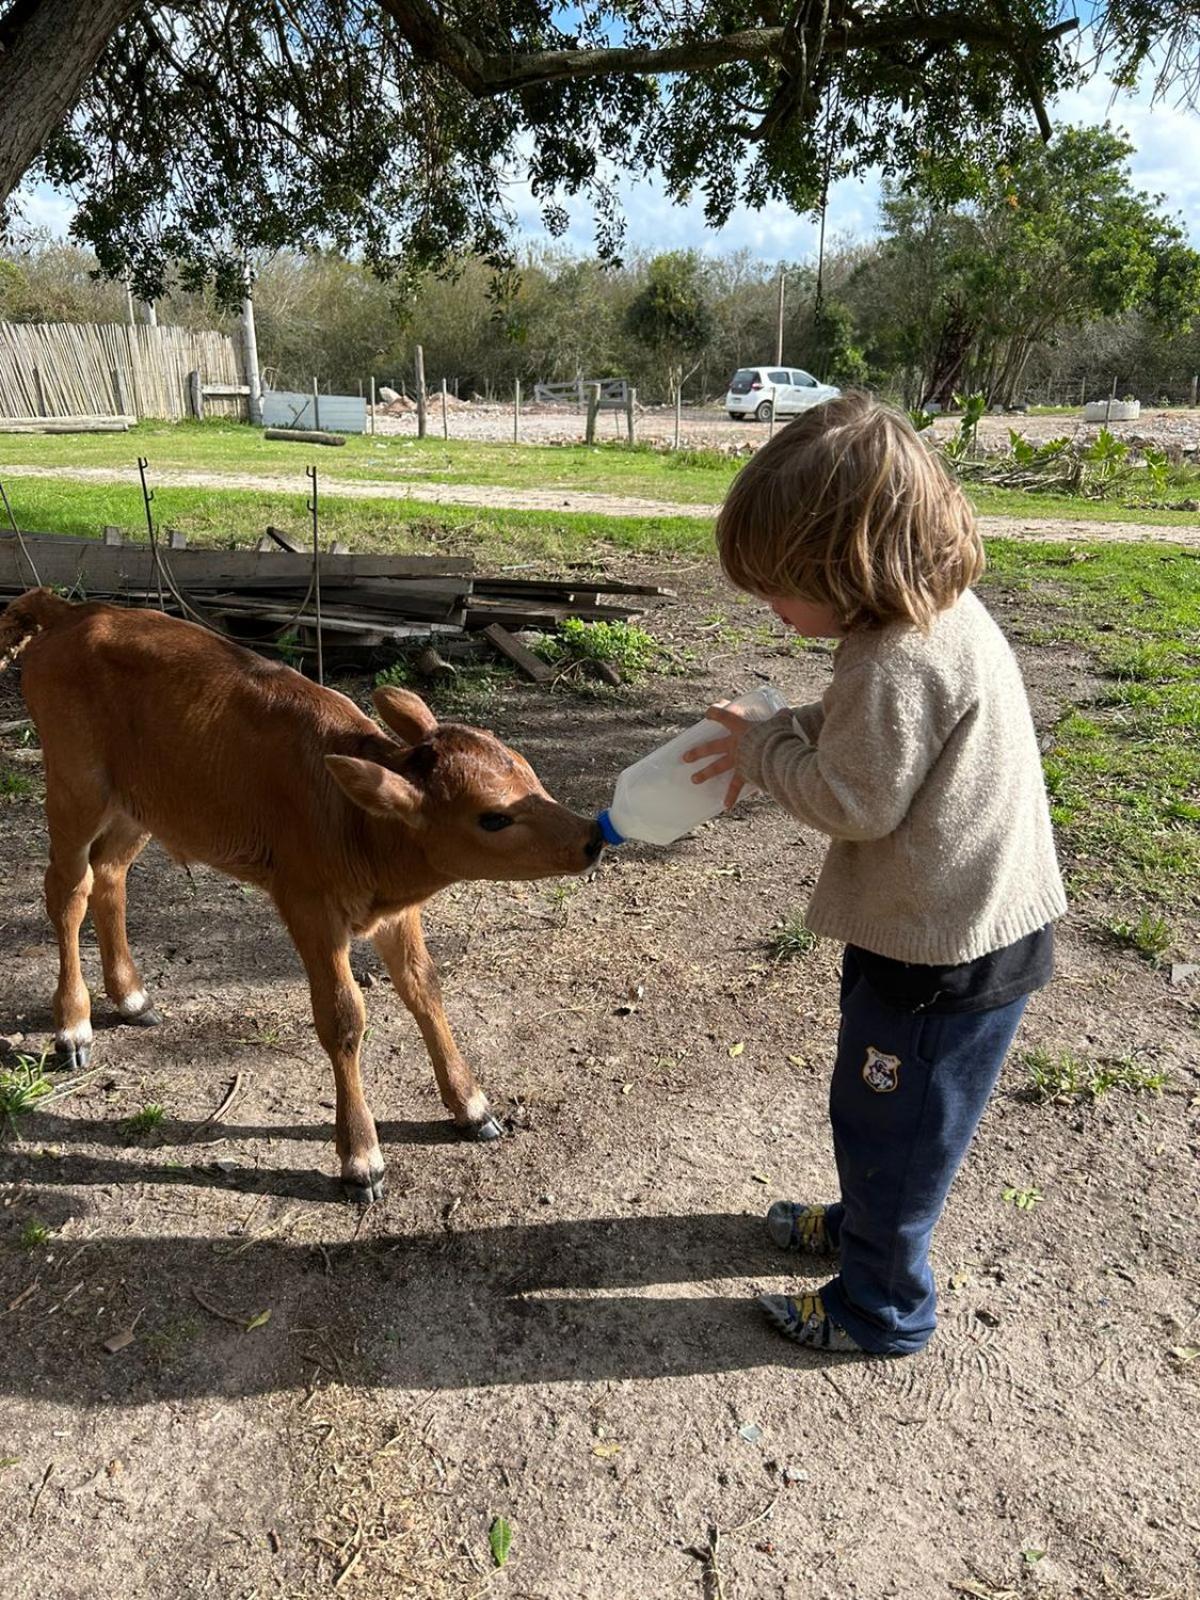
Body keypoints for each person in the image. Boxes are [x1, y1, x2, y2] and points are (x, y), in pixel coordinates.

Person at [683, 393, 1066, 1358]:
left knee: (897, 1121)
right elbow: (883, 739)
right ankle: (864, 1221)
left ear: (845, 567)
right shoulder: (930, 619)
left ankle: (881, 1304)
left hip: (942, 953)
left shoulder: (895, 660)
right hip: (955, 921)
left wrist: (771, 749)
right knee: (876, 1105)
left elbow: (855, 801)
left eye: (779, 584)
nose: (768, 605)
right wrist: (798, 725)